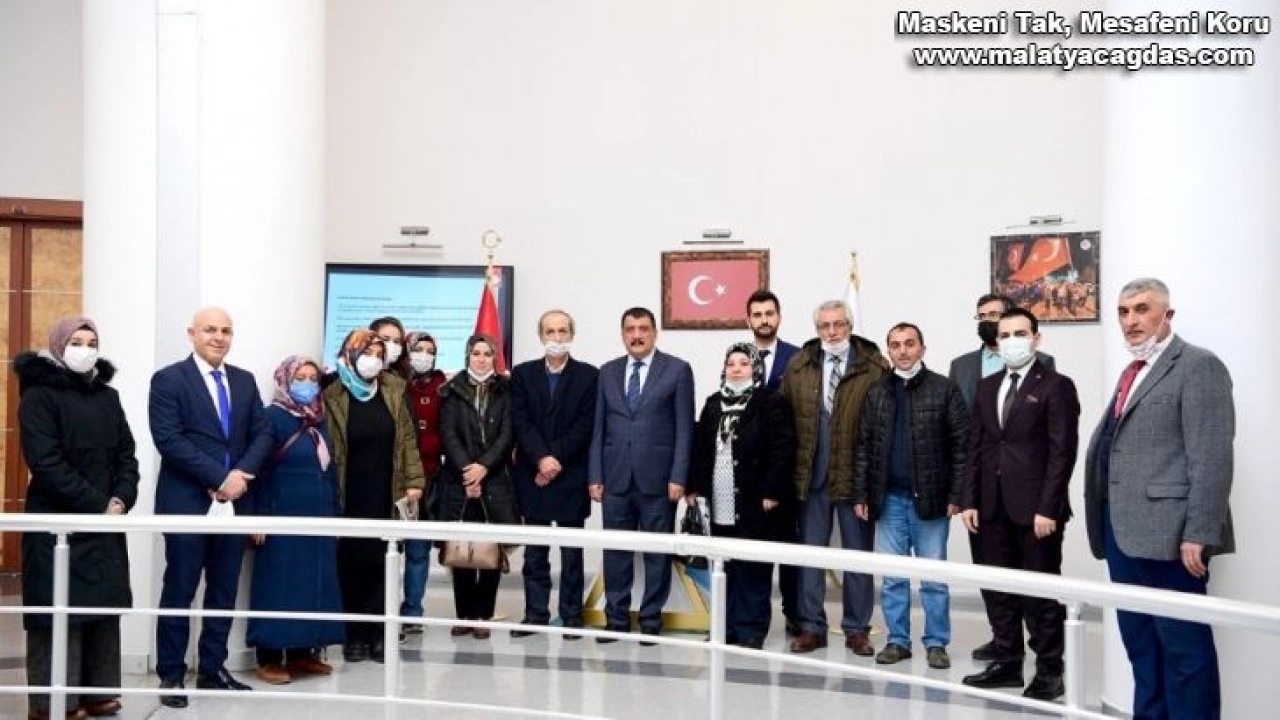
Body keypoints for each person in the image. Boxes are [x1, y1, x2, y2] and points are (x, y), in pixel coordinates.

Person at [1084, 278, 1234, 720]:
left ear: (1167, 314)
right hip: (1122, 534)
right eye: (1123, 311)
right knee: (1142, 646)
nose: (1131, 320)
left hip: (1172, 538)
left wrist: (1198, 533)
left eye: (1142, 309)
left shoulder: (1198, 366)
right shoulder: (1133, 370)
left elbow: (1211, 456)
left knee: (1186, 652)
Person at [16, 317, 139, 720]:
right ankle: (52, 702)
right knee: (58, 614)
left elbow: (127, 456)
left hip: (104, 522)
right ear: (58, 345)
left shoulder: (108, 397)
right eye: (76, 341)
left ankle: (98, 692)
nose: (85, 349)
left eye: (91, 342)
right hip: (57, 524)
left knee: (102, 610)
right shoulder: (38, 396)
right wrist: (99, 504)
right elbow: (46, 462)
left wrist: (121, 498)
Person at [151, 307, 273, 708]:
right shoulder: (169, 380)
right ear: (192, 334)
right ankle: (171, 675)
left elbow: (262, 434)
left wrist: (239, 477)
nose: (219, 337)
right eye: (210, 330)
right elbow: (169, 440)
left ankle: (212, 669)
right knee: (180, 590)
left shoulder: (244, 380)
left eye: (226, 331)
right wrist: (219, 478)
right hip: (187, 503)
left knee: (223, 591)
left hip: (235, 506)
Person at [961, 307, 1080, 701]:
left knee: (1040, 595)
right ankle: (1007, 663)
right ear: (996, 343)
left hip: (1037, 512)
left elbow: (1063, 453)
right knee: (998, 591)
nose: (1012, 341)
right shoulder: (986, 387)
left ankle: (1049, 672)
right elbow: (976, 447)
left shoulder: (1056, 386)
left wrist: (1048, 507)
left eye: (1020, 333)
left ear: (1036, 338)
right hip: (990, 508)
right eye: (1005, 335)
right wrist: (969, 500)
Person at [852, 323, 968, 670]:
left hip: (931, 501)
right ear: (888, 351)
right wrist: (861, 493)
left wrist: (957, 493)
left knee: (933, 579)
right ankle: (898, 641)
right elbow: (864, 446)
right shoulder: (877, 392)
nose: (902, 351)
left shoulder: (944, 389)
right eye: (895, 345)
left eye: (909, 344)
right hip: (888, 500)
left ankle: (936, 643)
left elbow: (961, 446)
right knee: (893, 578)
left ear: (922, 349)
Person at [947, 292, 1055, 663]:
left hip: (1028, 494)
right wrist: (966, 495)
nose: (991, 323)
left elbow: (1054, 444)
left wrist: (1048, 503)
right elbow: (965, 437)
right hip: (985, 492)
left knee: (1035, 581)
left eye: (996, 315)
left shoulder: (1048, 371)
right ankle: (1004, 646)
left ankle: (1045, 656)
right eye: (983, 316)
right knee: (993, 577)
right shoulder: (965, 369)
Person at [779, 299, 887, 656]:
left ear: (850, 326)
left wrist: (871, 484)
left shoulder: (874, 366)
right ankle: (812, 627)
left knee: (858, 559)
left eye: (838, 324)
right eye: (824, 326)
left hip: (855, 481)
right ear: (817, 330)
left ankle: (857, 629)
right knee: (810, 557)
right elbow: (784, 421)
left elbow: (882, 428)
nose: (832, 331)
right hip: (811, 479)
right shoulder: (799, 365)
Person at [589, 307, 695, 644]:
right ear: (623, 334)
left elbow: (685, 430)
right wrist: (595, 475)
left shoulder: (677, 370)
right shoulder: (607, 372)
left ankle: (651, 620)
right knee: (615, 554)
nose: (637, 335)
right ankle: (616, 619)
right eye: (630, 329)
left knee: (656, 554)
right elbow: (598, 428)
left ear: (654, 333)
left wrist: (679, 476)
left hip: (659, 482)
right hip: (615, 479)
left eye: (643, 329)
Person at [321, 329, 425, 663]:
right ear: (351, 353)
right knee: (350, 561)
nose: (374, 361)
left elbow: (407, 439)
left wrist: (414, 481)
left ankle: (380, 634)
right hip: (348, 490)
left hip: (386, 488)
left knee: (383, 561)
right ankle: (354, 635)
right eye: (368, 353)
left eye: (380, 355)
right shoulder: (331, 394)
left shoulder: (394, 389)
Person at [686, 342, 795, 648]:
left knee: (752, 566)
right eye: (731, 363)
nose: (736, 369)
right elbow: (700, 448)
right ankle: (725, 627)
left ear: (755, 369)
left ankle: (750, 630)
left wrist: (772, 490)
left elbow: (782, 449)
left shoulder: (771, 402)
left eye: (744, 364)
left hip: (754, 498)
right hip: (719, 497)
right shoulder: (713, 403)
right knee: (724, 566)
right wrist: (694, 487)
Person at [246, 355, 345, 685]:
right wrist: (259, 517)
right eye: (300, 378)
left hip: (318, 516)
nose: (307, 384)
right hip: (281, 515)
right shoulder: (271, 417)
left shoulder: (318, 419)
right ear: (285, 381)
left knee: (312, 582)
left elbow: (329, 470)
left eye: (313, 378)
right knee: (279, 583)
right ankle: (269, 656)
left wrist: (335, 516)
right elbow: (257, 469)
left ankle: (303, 651)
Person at [510, 310, 598, 638]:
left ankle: (572, 616)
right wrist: (541, 459)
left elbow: (585, 425)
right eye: (550, 331)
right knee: (535, 553)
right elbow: (520, 421)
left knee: (572, 554)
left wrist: (554, 460)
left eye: (562, 331)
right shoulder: (523, 374)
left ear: (572, 335)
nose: (557, 337)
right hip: (532, 474)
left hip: (570, 474)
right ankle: (535, 614)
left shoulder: (590, 376)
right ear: (540, 335)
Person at [437, 334, 518, 639]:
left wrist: (484, 467)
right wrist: (468, 473)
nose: (482, 359)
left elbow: (508, 434)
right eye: (476, 353)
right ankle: (464, 615)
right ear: (467, 356)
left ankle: (483, 616)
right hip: (459, 482)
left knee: (489, 553)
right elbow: (448, 434)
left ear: (494, 358)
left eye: (487, 354)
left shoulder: (506, 390)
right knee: (461, 553)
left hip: (495, 481)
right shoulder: (450, 390)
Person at [745, 290, 802, 635]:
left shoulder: (797, 358)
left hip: (787, 470)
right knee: (750, 552)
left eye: (769, 313)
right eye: (757, 314)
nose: (764, 320)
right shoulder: (739, 357)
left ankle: (795, 614)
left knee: (789, 548)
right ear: (748, 319)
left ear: (778, 317)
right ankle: (751, 617)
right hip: (749, 476)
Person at [400, 331, 447, 632]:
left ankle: (412, 612)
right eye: (419, 349)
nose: (425, 356)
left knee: (418, 552)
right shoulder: (395, 384)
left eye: (430, 351)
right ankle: (381, 611)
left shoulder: (444, 387)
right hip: (396, 479)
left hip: (429, 480)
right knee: (386, 550)